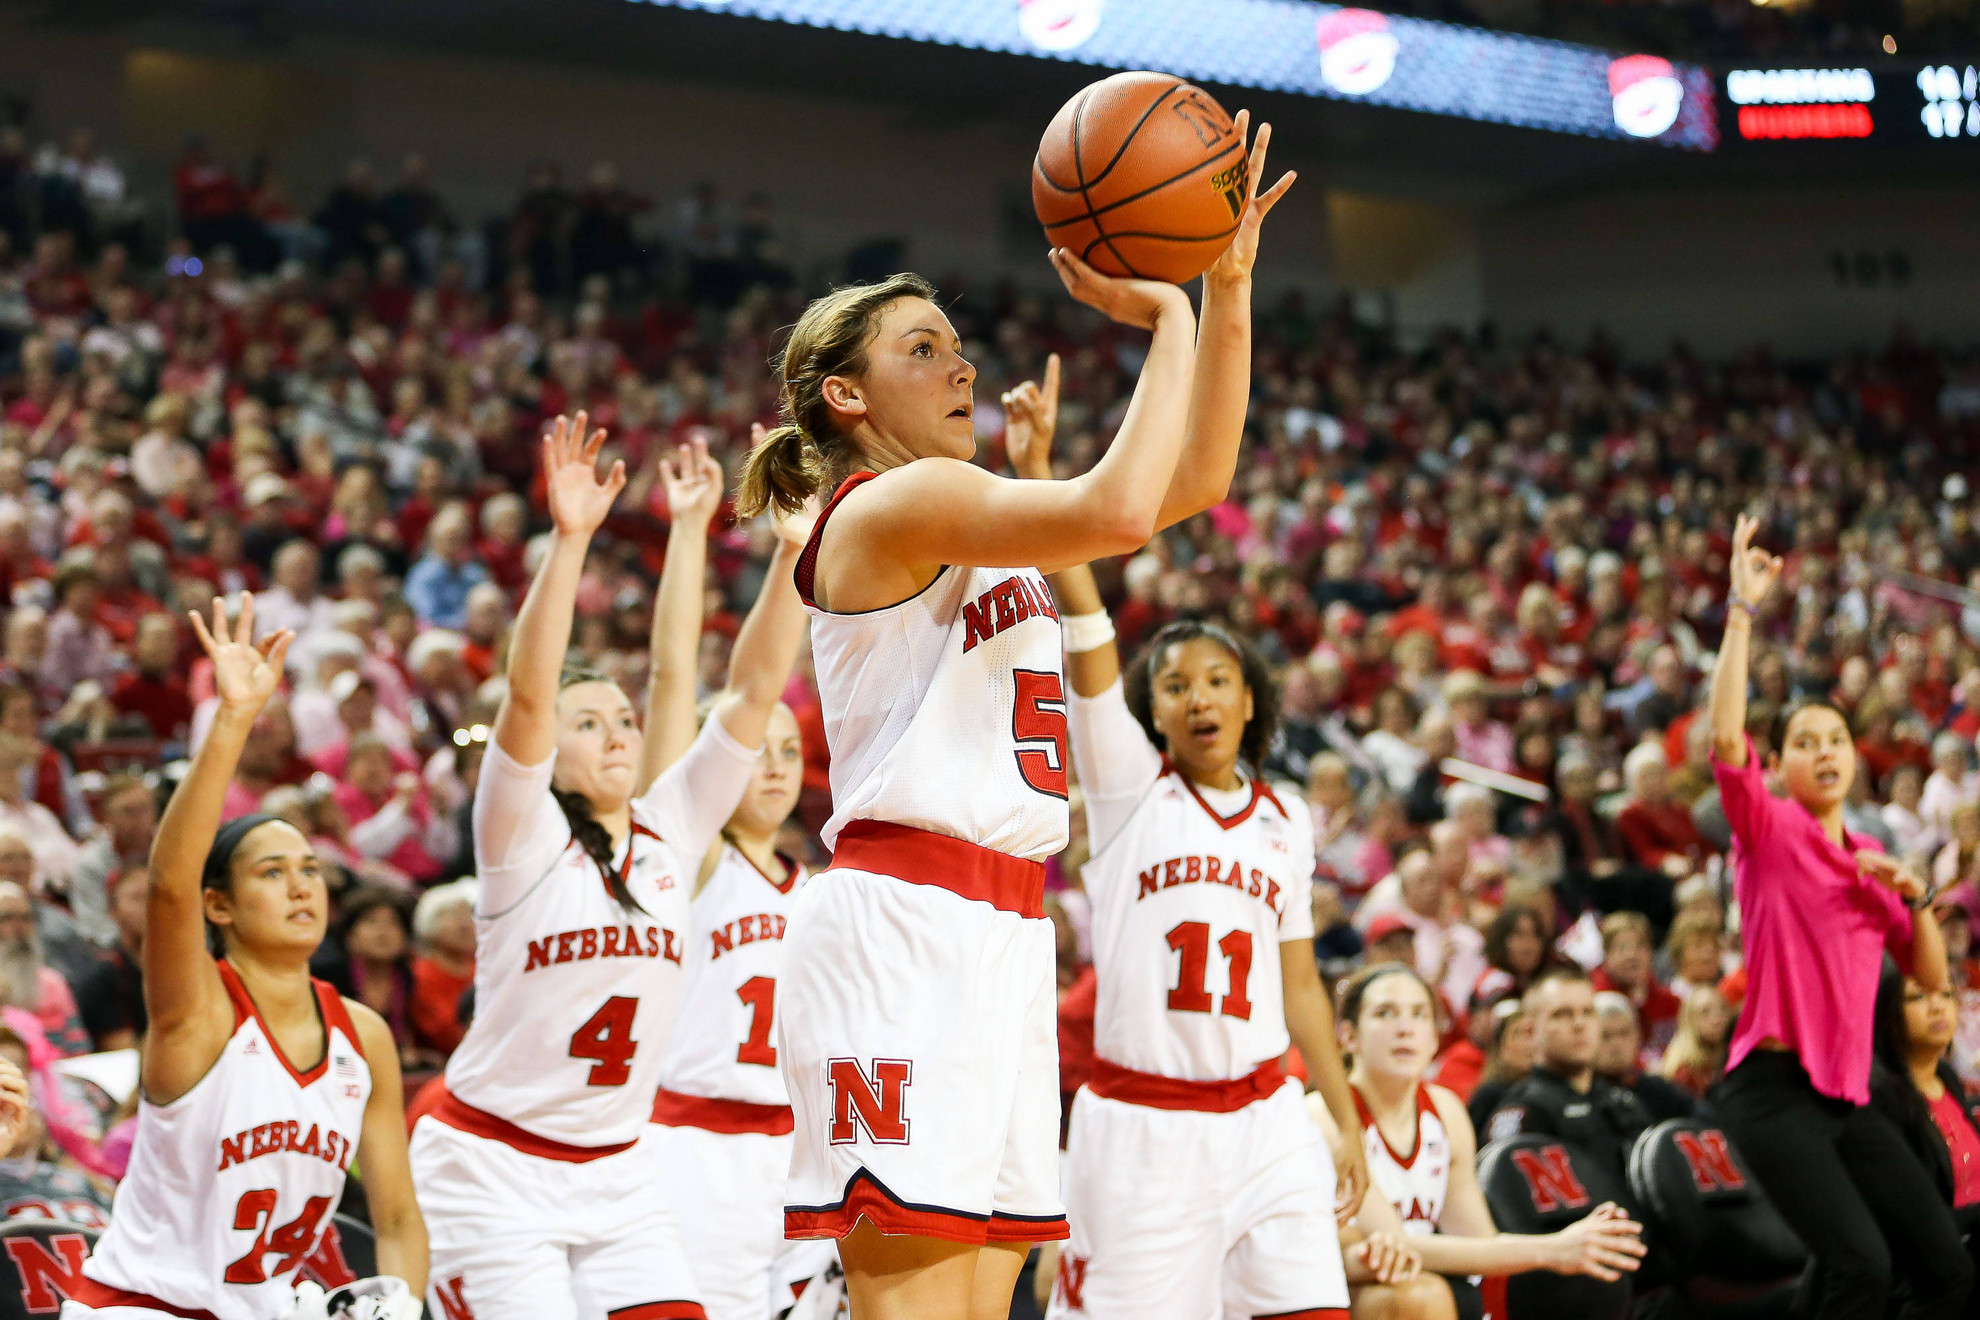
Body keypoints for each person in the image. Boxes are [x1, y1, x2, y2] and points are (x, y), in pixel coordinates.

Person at [738, 117, 1292, 1319]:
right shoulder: (886, 506)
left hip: (1006, 930)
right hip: (902, 923)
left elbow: (1193, 481)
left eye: (957, 347)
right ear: (845, 395)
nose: (963, 369)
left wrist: (1226, 286)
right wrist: (1170, 317)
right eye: (925, 351)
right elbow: (1121, 510)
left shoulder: (970, 512)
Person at [409, 415, 795, 1320]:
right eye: (592, 724)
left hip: (620, 1171)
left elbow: (748, 692)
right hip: (493, 1161)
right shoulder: (518, 834)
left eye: (622, 719)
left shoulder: (673, 830)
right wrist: (572, 541)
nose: (619, 732)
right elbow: (531, 693)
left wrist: (790, 560)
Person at [1024, 366, 1371, 1316]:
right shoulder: (1132, 789)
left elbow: (1302, 985)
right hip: (1143, 1127)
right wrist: (1050, 480)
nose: (1199, 697)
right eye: (1175, 685)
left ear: (1250, 698)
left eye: (1217, 679)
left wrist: (1343, 1124)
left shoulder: (1287, 818)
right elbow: (1089, 636)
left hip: (1265, 1118)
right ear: (1155, 714)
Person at [67, 593, 428, 1318]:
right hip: (141, 1306)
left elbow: (395, 1219)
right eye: (271, 872)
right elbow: (170, 884)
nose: (301, 886)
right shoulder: (197, 1009)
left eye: (308, 869)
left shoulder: (366, 1036)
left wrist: (405, 1302)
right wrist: (233, 720)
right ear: (219, 906)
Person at [1707, 513, 1970, 1320]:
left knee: (1946, 1273)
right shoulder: (1768, 827)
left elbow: (1928, 977)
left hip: (1852, 1096)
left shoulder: (1873, 860)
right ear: (1779, 764)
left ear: (1855, 758)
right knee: (1858, 1265)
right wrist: (1742, 609)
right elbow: (1724, 733)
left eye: (1838, 740)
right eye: (1806, 741)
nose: (1825, 751)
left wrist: (1914, 896)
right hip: (1773, 1092)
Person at [642, 433, 824, 1320]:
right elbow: (676, 681)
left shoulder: (821, 886)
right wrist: (692, 535)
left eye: (791, 751)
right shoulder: (693, 855)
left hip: (799, 1155)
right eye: (760, 751)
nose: (776, 766)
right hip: (691, 1143)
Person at [1337, 964, 1645, 1320]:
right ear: (1349, 1035)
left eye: (1419, 1014)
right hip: (1339, 1293)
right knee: (1418, 1296)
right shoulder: (1327, 1115)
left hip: (1423, 1281)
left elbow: (1479, 1245)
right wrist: (1552, 1248)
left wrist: (1575, 1247)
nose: (1405, 1029)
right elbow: (1396, 1251)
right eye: (1385, 1013)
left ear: (1435, 1037)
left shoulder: (1446, 1111)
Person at [1483, 968, 1653, 1192]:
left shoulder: (1623, 1102)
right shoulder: (1522, 1112)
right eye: (1562, 1014)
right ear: (1530, 1032)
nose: (1579, 1024)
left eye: (1589, 1012)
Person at [1867, 958, 1980, 1283]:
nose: (1937, 1008)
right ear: (1886, 1013)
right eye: (1918, 997)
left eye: (1946, 995)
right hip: (1926, 1275)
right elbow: (1908, 1220)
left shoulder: (1947, 1077)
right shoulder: (1882, 1097)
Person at [1658, 984, 1730, 1101]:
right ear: (1689, 1020)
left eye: (1722, 1009)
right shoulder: (1683, 1071)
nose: (1717, 1019)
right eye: (1705, 1012)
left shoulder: (1734, 1056)